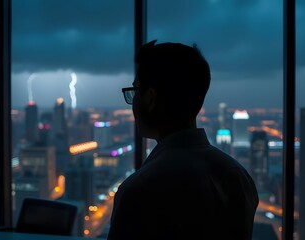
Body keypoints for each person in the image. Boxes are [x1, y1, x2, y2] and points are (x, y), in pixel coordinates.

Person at [108, 40, 259, 240]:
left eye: (136, 91)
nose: (133, 102)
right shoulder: (237, 176)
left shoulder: (138, 190)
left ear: (151, 98)